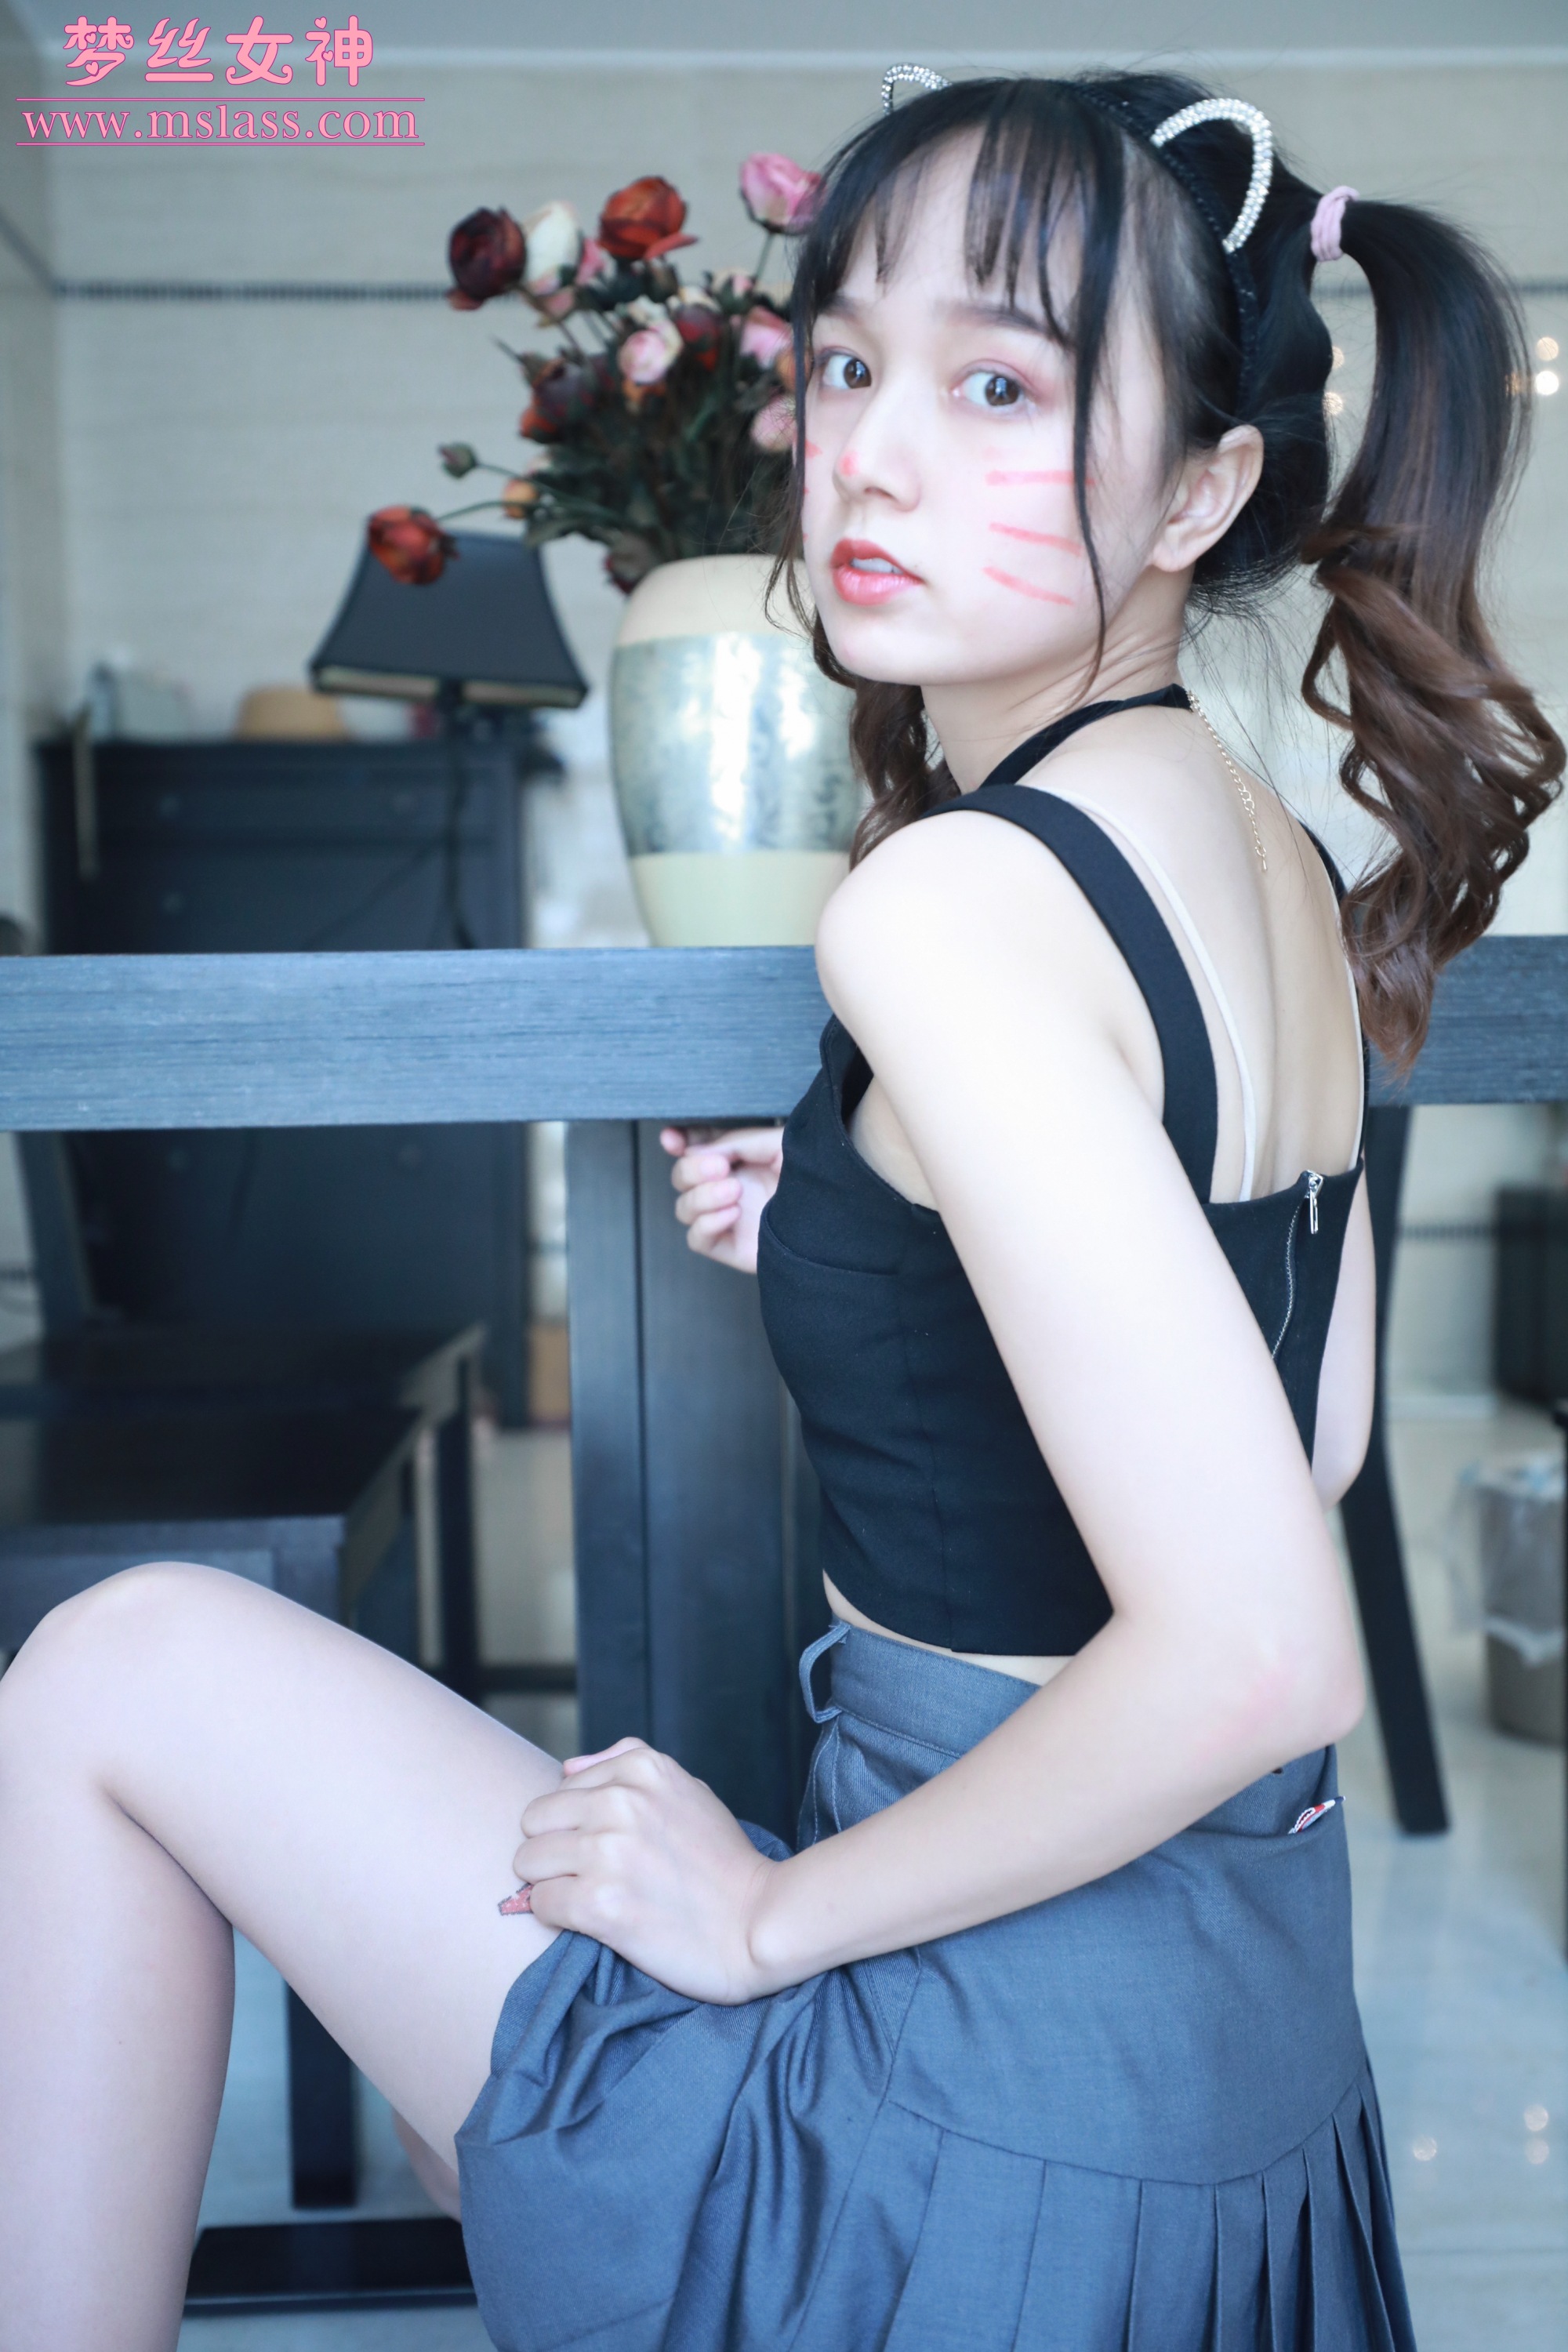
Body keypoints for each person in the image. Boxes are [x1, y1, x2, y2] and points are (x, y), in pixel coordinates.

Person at [1, 69, 1560, 2352]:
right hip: (1225, 2070)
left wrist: (763, 1919)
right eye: (844, 366)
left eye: (999, 386)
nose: (871, 457)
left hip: (988, 2090)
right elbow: (1292, 1430)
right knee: (489, 2095)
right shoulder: (1277, 854)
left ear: (1202, 489)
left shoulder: (949, 904)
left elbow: (1263, 1648)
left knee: (107, 1672)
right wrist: (877, 1235)